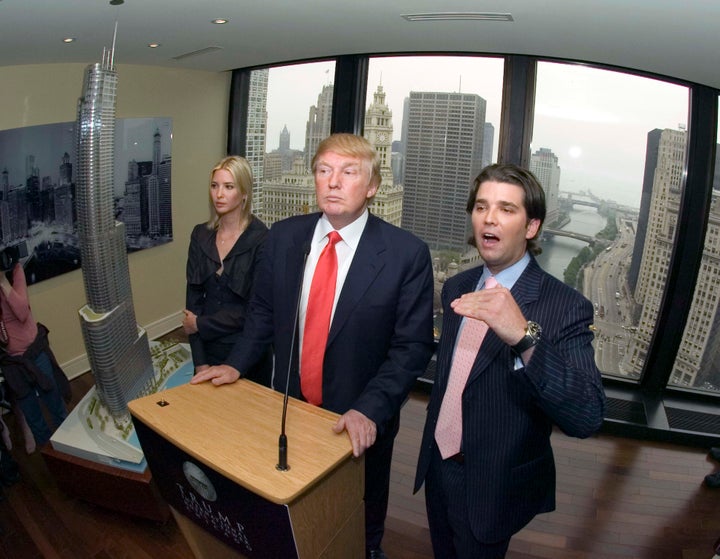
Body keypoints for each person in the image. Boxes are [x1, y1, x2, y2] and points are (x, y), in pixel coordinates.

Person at [192, 133, 435, 559]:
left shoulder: (406, 255)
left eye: (348, 172)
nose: (334, 182)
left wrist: (369, 408)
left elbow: (410, 347)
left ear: (372, 186)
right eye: (324, 171)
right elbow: (262, 315)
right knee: (292, 502)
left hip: (359, 416)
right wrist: (235, 364)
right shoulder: (284, 238)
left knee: (359, 515)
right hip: (289, 406)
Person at [414, 163, 606, 558]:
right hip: (438, 463)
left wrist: (523, 336)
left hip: (494, 485)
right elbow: (455, 377)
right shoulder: (459, 286)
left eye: (506, 209)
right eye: (481, 206)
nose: (489, 217)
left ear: (531, 227)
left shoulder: (565, 307)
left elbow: (587, 415)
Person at [183, 155, 271, 384]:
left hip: (246, 353)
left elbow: (256, 312)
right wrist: (200, 362)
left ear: (244, 193)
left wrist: (201, 324)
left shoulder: (263, 240)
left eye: (228, 187)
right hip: (207, 349)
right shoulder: (200, 235)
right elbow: (192, 305)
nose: (219, 194)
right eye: (214, 186)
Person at [0, 263, 70, 451]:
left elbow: (22, 312)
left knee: (56, 406)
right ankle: (50, 456)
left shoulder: (16, 271)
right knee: (33, 417)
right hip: (12, 364)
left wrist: (3, 282)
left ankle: (70, 450)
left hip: (35, 353)